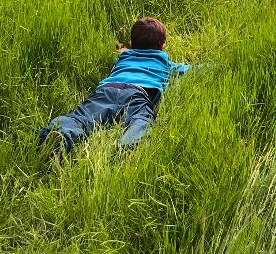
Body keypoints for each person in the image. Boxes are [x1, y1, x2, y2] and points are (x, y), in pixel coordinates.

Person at [38, 17, 190, 157]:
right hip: (138, 94)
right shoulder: (166, 65)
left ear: (131, 42)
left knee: (82, 116)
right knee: (140, 119)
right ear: (162, 47)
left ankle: (61, 133)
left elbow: (124, 52)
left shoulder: (124, 58)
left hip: (107, 89)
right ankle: (132, 145)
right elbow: (194, 70)